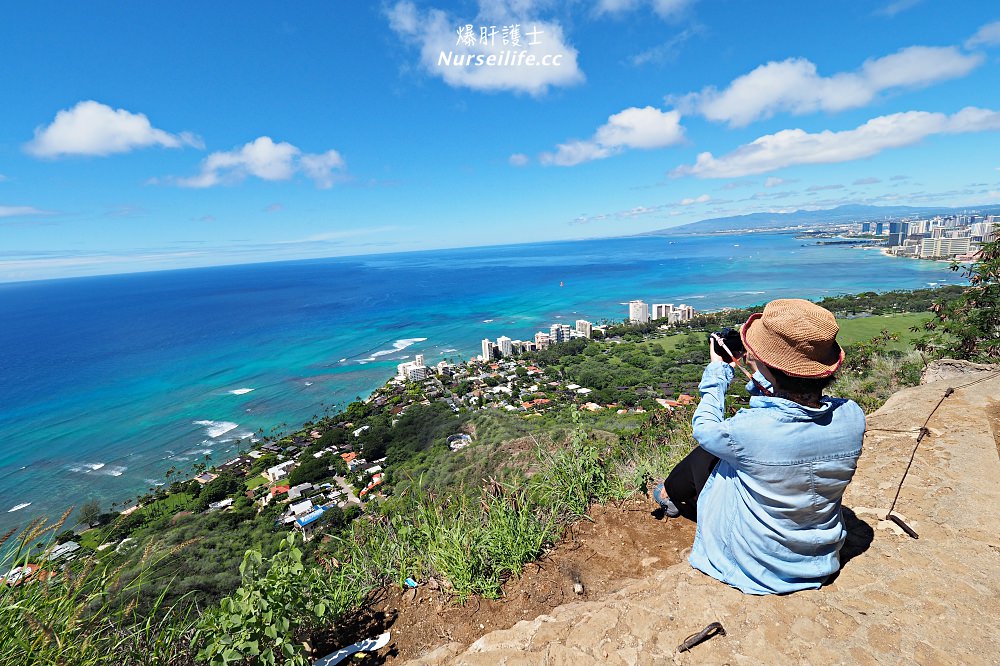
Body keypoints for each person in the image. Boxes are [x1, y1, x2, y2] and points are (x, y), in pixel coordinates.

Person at [653, 299, 865, 595]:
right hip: (822, 557)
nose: (749, 355)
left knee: (713, 452)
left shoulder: (749, 431)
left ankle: (669, 494)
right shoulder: (852, 415)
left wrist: (718, 371)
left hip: (759, 567)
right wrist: (764, 378)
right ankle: (670, 492)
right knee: (725, 452)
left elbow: (704, 428)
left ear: (768, 367)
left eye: (755, 354)